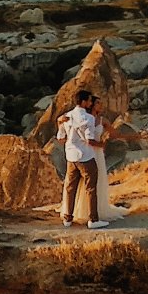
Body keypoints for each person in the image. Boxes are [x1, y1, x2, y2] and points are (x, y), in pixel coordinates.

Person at [58, 89, 110, 229]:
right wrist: (102, 144)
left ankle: (68, 218)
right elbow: (90, 140)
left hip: (70, 157)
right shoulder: (89, 118)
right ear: (83, 102)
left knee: (70, 187)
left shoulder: (66, 116)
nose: (90, 102)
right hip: (86, 156)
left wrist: (59, 124)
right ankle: (93, 219)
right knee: (91, 188)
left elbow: (61, 138)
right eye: (88, 100)